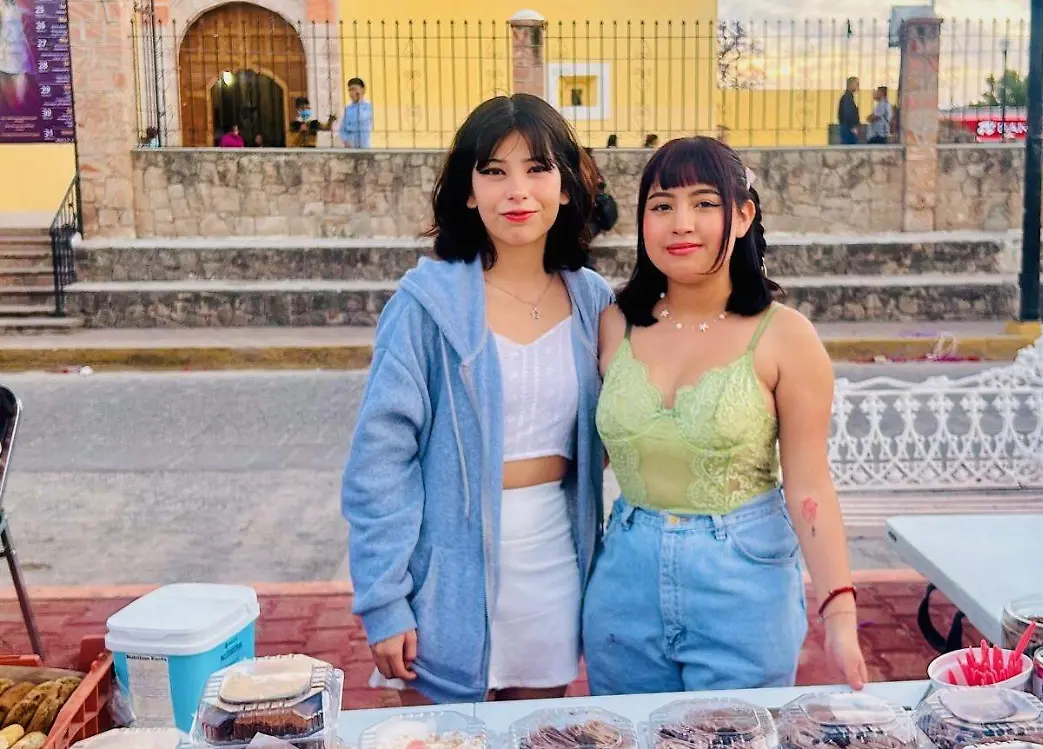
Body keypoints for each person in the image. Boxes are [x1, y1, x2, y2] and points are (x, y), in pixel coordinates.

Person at [341, 93, 613, 706]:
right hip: (447, 579)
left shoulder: (595, 302)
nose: (517, 190)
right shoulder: (425, 305)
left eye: (537, 169)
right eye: (494, 171)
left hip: (552, 567)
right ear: (468, 191)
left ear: (566, 187)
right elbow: (380, 463)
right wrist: (385, 600)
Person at [582, 136, 868, 695]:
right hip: (624, 584)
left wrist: (839, 614)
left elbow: (810, 483)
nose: (680, 223)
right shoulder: (612, 324)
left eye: (704, 203)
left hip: (742, 583)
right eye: (661, 206)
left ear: (742, 215)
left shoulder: (785, 336)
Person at [340, 77, 374, 148]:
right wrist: (345, 140)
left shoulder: (367, 107)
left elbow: (361, 118)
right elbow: (343, 127)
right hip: (350, 146)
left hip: (363, 146)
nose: (352, 92)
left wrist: (359, 102)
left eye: (354, 89)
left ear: (362, 90)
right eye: (350, 90)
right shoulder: (348, 109)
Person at [838, 77, 861, 145]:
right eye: (856, 83)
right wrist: (853, 127)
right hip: (848, 128)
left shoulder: (847, 97)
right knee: (850, 148)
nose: (858, 86)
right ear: (851, 85)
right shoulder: (847, 98)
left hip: (847, 127)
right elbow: (848, 114)